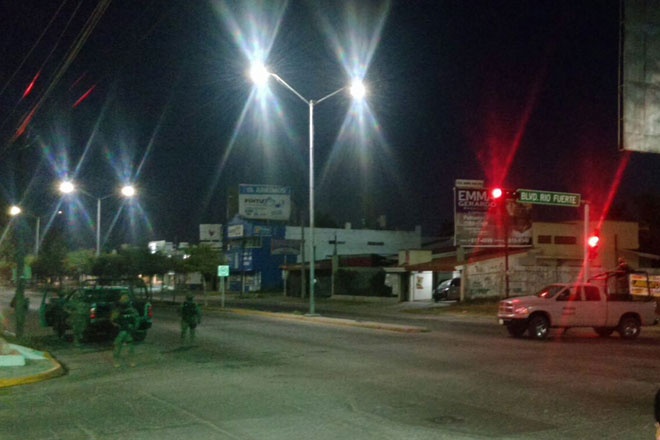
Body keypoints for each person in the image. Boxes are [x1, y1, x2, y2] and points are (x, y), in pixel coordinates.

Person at [111, 294, 139, 367]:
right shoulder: (119, 310)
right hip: (122, 331)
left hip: (127, 331)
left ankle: (129, 361)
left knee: (128, 347)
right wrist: (118, 326)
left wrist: (133, 328)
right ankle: (119, 361)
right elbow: (113, 320)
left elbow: (136, 320)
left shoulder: (131, 310)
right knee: (119, 347)